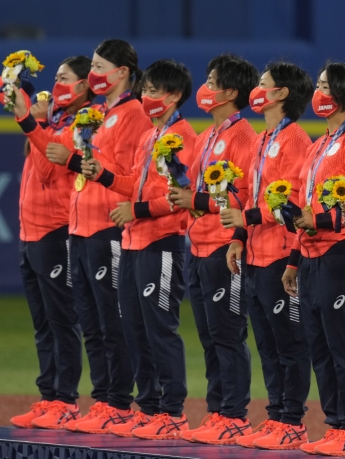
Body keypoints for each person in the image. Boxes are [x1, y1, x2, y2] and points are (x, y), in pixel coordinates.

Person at [32, 40, 152, 433]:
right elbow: (56, 152)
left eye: (100, 67)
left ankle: (118, 402)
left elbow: (134, 176)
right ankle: (102, 400)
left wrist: (76, 161)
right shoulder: (96, 114)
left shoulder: (134, 114)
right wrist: (28, 120)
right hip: (80, 228)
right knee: (92, 323)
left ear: (122, 72)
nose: (95, 74)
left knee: (112, 322)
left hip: (107, 227)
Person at [81, 59, 197, 439]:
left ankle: (172, 412)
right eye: (144, 89)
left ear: (174, 95)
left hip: (161, 244)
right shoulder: (151, 135)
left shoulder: (182, 137)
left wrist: (137, 210)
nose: (145, 96)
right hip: (133, 242)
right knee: (134, 330)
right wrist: (104, 176)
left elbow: (180, 197)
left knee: (160, 329)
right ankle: (148, 408)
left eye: (152, 91)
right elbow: (136, 183)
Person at [220, 61, 314, 450]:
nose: (256, 90)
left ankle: (292, 421)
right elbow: (252, 195)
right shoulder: (262, 138)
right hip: (255, 254)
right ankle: (276, 416)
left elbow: (290, 204)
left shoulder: (296, 141)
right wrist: (239, 237)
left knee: (289, 343)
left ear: (281, 93)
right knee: (267, 343)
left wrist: (246, 220)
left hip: (281, 254)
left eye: (263, 84)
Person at [166, 54, 259, 444]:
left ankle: (234, 415)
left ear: (231, 92)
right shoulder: (206, 137)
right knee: (208, 336)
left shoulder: (244, 138)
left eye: (212, 81)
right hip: (199, 246)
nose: (204, 87)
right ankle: (218, 411)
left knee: (227, 335)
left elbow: (243, 200)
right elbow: (195, 191)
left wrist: (195, 201)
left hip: (225, 249)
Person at [288, 63, 345, 456]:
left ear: (341, 94)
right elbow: (305, 208)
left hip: (340, 252)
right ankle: (335, 423)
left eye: (325, 86)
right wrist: (293, 259)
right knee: (320, 345)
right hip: (310, 255)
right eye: (318, 85)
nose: (318, 92)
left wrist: (319, 221)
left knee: (344, 342)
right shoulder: (317, 145)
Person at [8, 57, 96, 429]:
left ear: (84, 85)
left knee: (61, 320)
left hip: (56, 230)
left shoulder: (83, 122)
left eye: (64, 77)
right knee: (43, 323)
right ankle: (48, 397)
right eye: (56, 76)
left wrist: (35, 121)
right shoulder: (58, 120)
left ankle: (65, 401)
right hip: (30, 231)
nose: (56, 83)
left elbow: (46, 170)